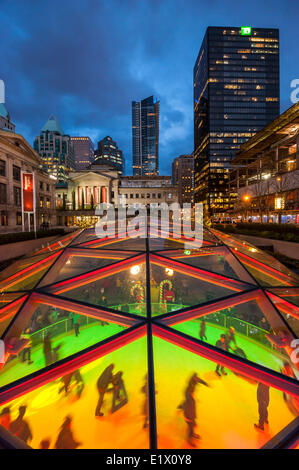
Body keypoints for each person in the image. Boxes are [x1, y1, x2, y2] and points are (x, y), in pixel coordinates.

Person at [178, 373, 209, 447]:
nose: (194, 393)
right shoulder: (189, 398)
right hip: (189, 416)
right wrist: (187, 417)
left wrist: (205, 383)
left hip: (192, 415)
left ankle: (192, 434)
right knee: (190, 427)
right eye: (192, 393)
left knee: (192, 425)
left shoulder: (191, 391)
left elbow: (198, 380)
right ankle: (189, 438)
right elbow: (185, 404)